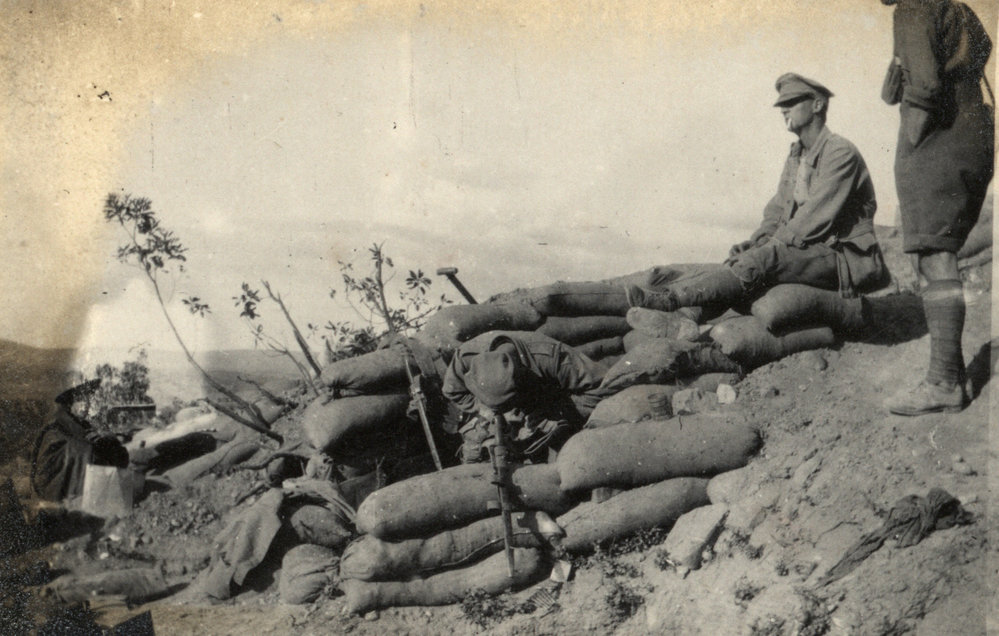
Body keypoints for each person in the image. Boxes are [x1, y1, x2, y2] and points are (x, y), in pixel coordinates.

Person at [625, 73, 889, 319]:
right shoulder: (798, 154)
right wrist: (755, 241)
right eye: (782, 104)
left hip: (843, 257)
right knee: (746, 258)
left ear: (818, 105)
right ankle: (685, 317)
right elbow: (778, 210)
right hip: (810, 251)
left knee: (763, 260)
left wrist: (764, 249)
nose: (784, 109)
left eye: (792, 102)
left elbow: (812, 220)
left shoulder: (840, 152)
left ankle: (670, 301)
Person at [880, 0, 994, 415]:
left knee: (933, 253)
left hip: (939, 140)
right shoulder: (956, 7)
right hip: (974, 131)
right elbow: (983, 48)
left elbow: (926, 86)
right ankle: (951, 374)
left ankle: (944, 382)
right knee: (940, 249)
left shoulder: (912, 8)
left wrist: (911, 142)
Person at [442, 330, 610, 462]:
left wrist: (556, 410)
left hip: (555, 399)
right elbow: (452, 391)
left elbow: (602, 387)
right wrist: (484, 408)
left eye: (508, 404)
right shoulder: (466, 359)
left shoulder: (552, 358)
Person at [30, 380, 129, 501]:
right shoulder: (54, 429)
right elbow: (69, 452)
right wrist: (94, 449)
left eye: (87, 398)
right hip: (57, 502)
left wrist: (108, 441)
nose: (86, 404)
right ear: (68, 403)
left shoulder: (85, 426)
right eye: (80, 399)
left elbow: (121, 458)